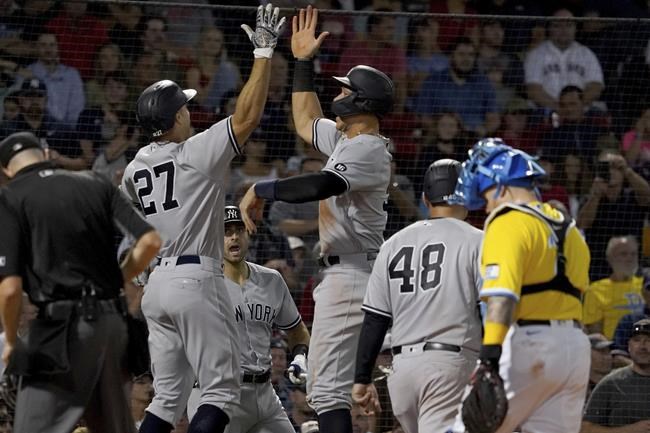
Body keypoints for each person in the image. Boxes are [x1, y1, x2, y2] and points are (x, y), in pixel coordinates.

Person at [120, 5, 285, 433]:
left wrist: (138, 274)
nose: (190, 112)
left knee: (169, 394)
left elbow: (122, 228)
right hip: (195, 279)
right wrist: (263, 54)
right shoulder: (194, 153)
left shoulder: (134, 167)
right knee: (220, 391)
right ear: (176, 117)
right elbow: (246, 117)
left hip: (155, 287)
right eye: (185, 108)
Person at [239, 6, 393, 433]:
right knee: (334, 389)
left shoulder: (369, 148)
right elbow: (306, 122)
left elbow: (319, 186)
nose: (338, 92)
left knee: (325, 393)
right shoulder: (349, 139)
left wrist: (261, 189)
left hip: (353, 274)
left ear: (361, 101)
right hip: (348, 272)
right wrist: (303, 63)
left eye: (345, 89)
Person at [0, 131, 161, 433]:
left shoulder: (10, 196)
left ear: (6, 170)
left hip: (62, 331)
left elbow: (9, 290)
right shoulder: (95, 182)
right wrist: (116, 281)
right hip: (115, 327)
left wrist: (11, 340)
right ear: (46, 154)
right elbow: (151, 241)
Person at [449, 138, 591, 433]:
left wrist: (489, 357)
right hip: (576, 350)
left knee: (466, 429)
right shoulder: (569, 226)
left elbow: (502, 297)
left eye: (487, 194)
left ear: (501, 185)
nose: (487, 204)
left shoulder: (508, 220)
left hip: (530, 345)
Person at [352, 159, 483, 433]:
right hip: (449, 365)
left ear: (425, 198)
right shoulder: (479, 240)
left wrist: (361, 378)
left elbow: (375, 319)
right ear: (467, 196)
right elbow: (490, 309)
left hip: (401, 373)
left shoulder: (392, 244)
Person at [186, 206, 311, 432]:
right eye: (226, 231)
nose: (234, 236)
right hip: (217, 393)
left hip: (265, 394)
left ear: (248, 233)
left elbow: (297, 330)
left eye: (239, 230)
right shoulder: (200, 284)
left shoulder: (271, 280)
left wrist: (300, 356)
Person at [524, 8, 604, 111]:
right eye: (558, 25)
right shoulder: (536, 54)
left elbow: (596, 86)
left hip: (581, 112)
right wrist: (560, 109)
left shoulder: (586, 53)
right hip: (546, 112)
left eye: (568, 25)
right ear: (550, 28)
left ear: (575, 28)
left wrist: (575, 107)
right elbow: (533, 90)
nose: (563, 29)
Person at [581, 319, 650, 432]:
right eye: (637, 340)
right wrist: (629, 430)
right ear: (629, 346)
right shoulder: (611, 383)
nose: (642, 346)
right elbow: (585, 428)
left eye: (648, 340)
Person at [583, 236, 644, 339]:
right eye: (624, 254)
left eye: (634, 254)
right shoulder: (596, 290)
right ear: (610, 258)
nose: (630, 258)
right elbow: (595, 334)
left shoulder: (646, 286)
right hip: (614, 350)